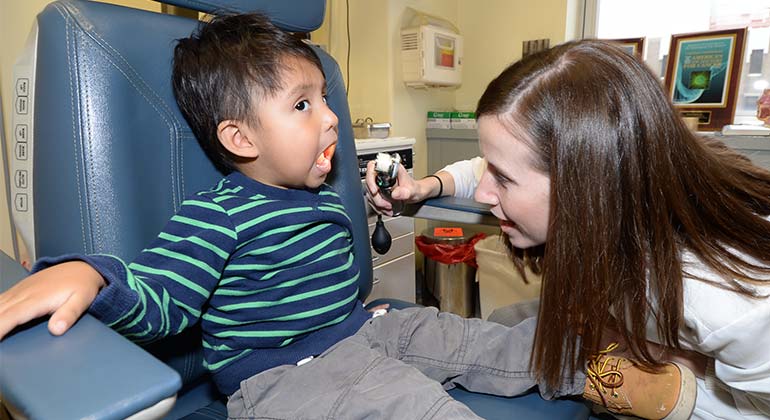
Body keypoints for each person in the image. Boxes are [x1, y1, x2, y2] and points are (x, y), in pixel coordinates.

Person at [0, 15, 694, 419]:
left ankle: (603, 374)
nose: (331, 115)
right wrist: (89, 275)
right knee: (419, 410)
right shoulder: (220, 216)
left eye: (323, 97)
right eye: (303, 105)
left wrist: (379, 199)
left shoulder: (317, 188)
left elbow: (322, 248)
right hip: (286, 376)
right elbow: (160, 295)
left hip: (365, 328)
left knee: (483, 343)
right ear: (240, 139)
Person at [368, 39, 770, 420]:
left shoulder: (726, 295)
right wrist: (426, 186)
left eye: (504, 179)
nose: (486, 191)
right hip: (619, 321)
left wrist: (660, 360)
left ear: (584, 186)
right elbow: (480, 170)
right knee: (509, 320)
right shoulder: (617, 177)